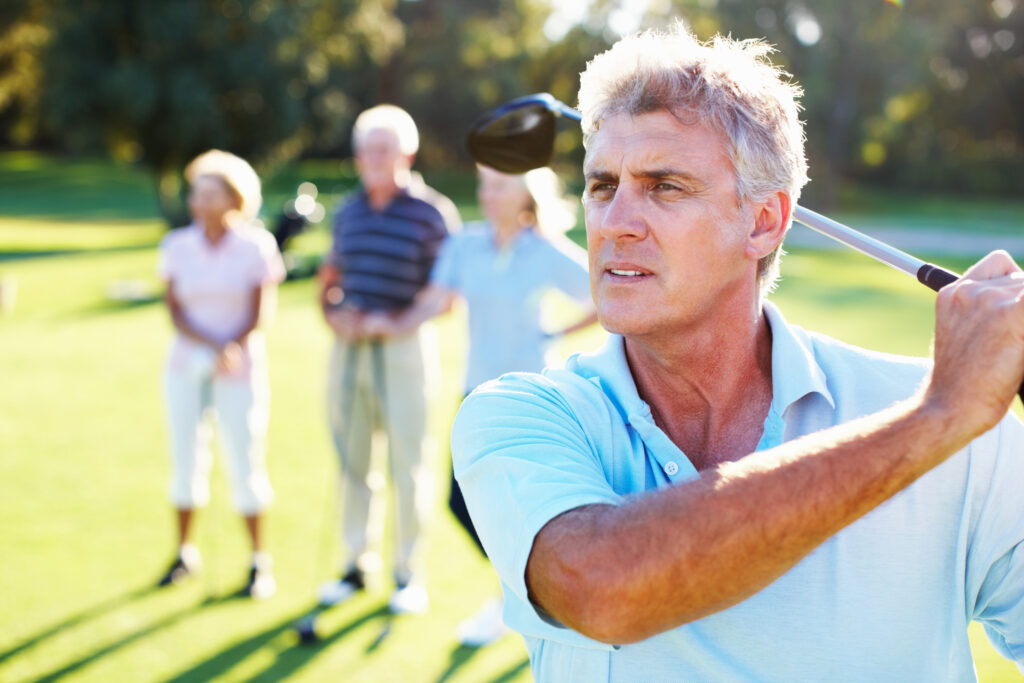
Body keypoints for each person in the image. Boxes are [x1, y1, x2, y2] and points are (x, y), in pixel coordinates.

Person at [452, 26, 1024, 680]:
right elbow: (601, 588)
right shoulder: (520, 416)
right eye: (603, 185)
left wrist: (947, 416)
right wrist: (939, 416)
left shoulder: (970, 437)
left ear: (763, 222)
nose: (614, 223)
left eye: (664, 185)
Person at [364, 164, 597, 644]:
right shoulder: (465, 244)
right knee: (459, 500)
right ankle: (523, 589)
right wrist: (393, 322)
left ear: (524, 195)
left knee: (535, 505)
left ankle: (524, 600)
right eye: (484, 186)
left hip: (532, 396)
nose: (486, 195)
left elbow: (602, 292)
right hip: (475, 392)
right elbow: (435, 300)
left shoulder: (545, 249)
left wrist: (556, 332)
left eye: (498, 187)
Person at [318, 104, 461, 615]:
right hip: (350, 348)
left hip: (404, 347)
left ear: (407, 153)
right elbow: (330, 279)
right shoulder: (349, 210)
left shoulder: (432, 212)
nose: (372, 159)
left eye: (383, 149)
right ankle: (355, 563)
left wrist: (397, 322)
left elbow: (448, 294)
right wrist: (335, 316)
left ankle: (408, 572)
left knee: (408, 462)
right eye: (365, 150)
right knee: (352, 459)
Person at [157, 149, 285, 599]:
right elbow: (174, 309)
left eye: (211, 194)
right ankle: (184, 552)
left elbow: (258, 312)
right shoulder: (176, 246)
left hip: (240, 366)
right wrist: (210, 345)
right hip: (185, 366)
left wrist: (229, 345)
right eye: (197, 194)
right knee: (186, 458)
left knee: (244, 458)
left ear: (234, 199)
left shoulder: (256, 246)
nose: (200, 202)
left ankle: (257, 561)